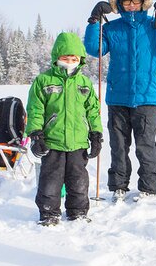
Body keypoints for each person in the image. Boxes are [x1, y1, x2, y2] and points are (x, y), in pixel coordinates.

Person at [84, 0, 156, 202]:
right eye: (126, 1)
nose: (131, 5)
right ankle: (118, 185)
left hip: (147, 97)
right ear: (119, 4)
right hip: (118, 97)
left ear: (142, 2)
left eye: (135, 1)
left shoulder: (154, 25)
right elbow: (94, 49)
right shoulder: (112, 28)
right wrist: (93, 21)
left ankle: (149, 187)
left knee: (145, 145)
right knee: (118, 146)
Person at [26, 32, 103, 226]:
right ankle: (49, 213)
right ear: (56, 58)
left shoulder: (84, 83)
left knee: (78, 181)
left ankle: (78, 212)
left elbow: (93, 110)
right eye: (65, 58)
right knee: (50, 181)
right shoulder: (43, 81)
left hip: (78, 142)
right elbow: (35, 109)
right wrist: (35, 135)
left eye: (74, 58)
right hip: (53, 142)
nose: (69, 62)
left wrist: (96, 134)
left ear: (80, 60)